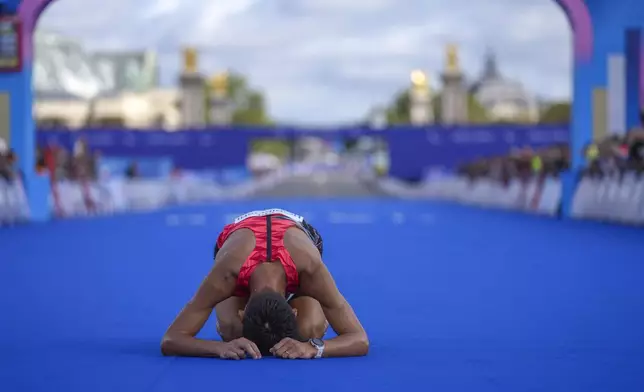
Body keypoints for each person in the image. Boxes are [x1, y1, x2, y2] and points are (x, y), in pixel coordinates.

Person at [161, 208, 369, 360]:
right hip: (241, 239)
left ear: (293, 310)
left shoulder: (310, 270)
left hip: (294, 233)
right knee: (232, 330)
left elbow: (360, 339)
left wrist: (314, 348)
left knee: (308, 330)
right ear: (242, 310)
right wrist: (218, 348)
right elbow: (170, 339)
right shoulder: (226, 275)